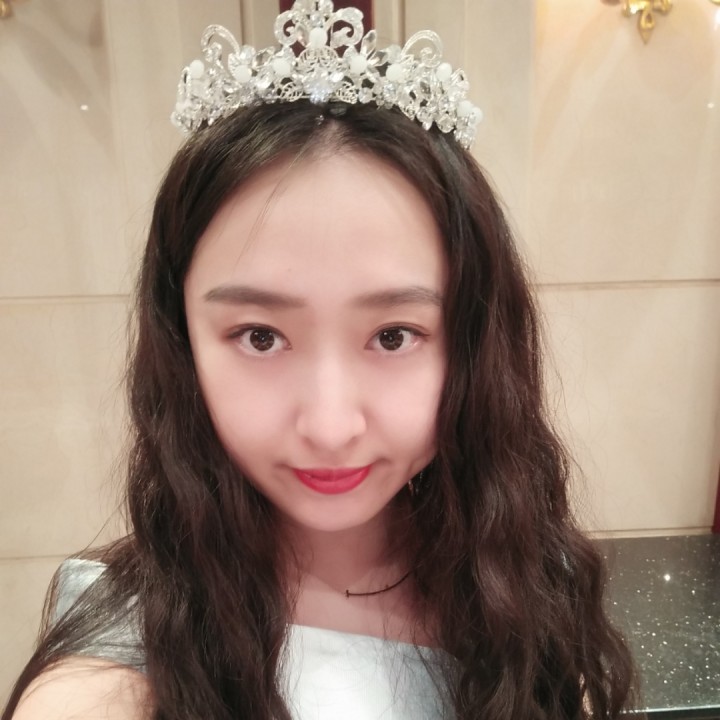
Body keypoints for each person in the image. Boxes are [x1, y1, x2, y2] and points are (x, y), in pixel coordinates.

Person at [3, 3, 639, 719]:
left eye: (393, 336)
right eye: (260, 337)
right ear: (181, 345)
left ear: (472, 343)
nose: (331, 427)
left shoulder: (524, 579)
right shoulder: (121, 657)